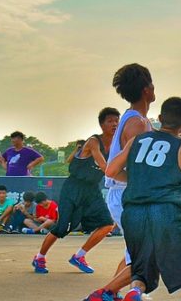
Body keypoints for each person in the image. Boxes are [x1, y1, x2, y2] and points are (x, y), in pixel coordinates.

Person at [97, 96, 181, 301]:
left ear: (160, 117)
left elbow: (110, 171)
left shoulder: (136, 140)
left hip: (133, 213)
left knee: (143, 269)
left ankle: (135, 292)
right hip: (165, 212)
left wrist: (139, 177)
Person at [85, 63, 156, 301]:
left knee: (134, 254)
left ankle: (111, 294)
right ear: (147, 89)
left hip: (127, 195)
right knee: (147, 255)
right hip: (127, 196)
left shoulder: (139, 120)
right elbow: (117, 170)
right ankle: (102, 294)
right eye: (152, 83)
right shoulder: (137, 124)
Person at [34, 107, 118, 274]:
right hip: (73, 188)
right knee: (62, 228)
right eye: (110, 121)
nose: (114, 124)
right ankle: (39, 257)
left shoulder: (118, 144)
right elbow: (104, 166)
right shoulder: (94, 141)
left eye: (117, 121)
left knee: (108, 224)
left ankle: (79, 256)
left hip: (92, 190)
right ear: (102, 125)